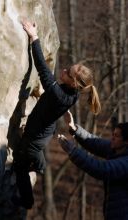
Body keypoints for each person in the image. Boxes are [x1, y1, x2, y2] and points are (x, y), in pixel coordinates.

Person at [13, 20, 101, 209]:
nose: (63, 70)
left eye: (67, 72)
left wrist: (34, 37)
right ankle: (40, 165)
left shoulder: (59, 94)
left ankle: (27, 201)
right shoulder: (74, 93)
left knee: (19, 167)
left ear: (73, 83)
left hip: (35, 138)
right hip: (45, 133)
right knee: (33, 155)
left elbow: (43, 69)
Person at [58, 111, 128, 220]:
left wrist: (73, 151)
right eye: (113, 134)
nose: (112, 138)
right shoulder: (117, 149)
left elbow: (102, 169)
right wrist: (75, 129)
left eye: (116, 136)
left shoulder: (126, 162)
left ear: (126, 142)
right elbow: (95, 143)